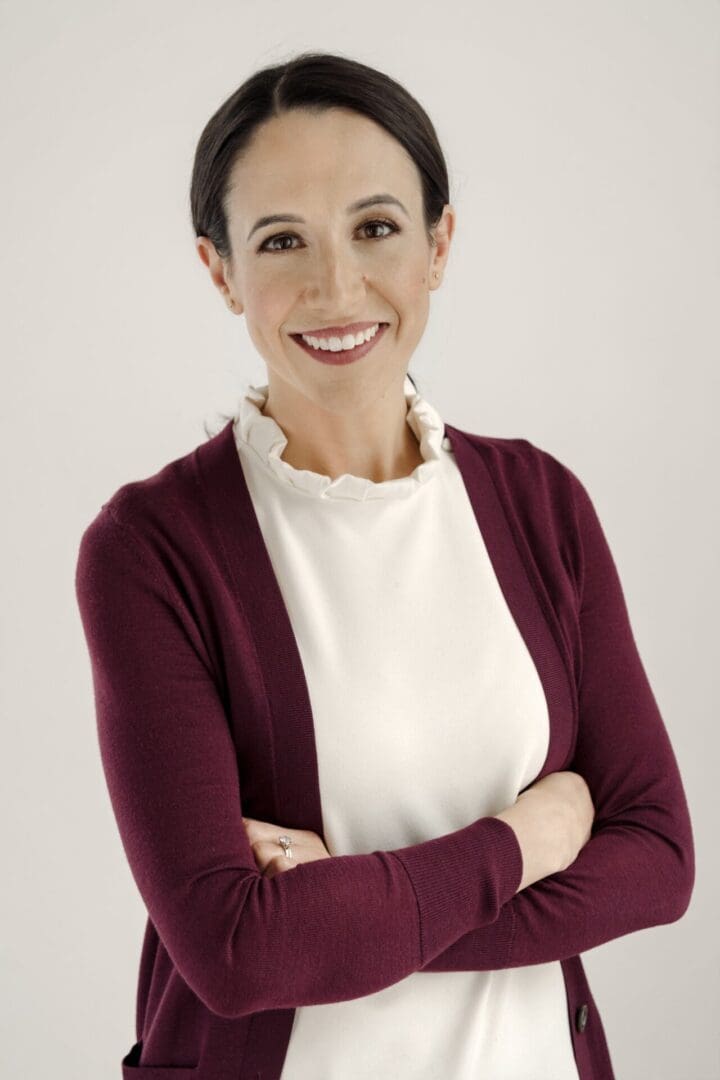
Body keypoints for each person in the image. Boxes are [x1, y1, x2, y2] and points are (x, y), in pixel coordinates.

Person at [74, 51, 695, 1080]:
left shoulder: (541, 507)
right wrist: (527, 840)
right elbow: (236, 955)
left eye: (376, 228)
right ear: (219, 269)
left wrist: (349, 909)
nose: (336, 285)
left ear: (438, 244)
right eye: (281, 241)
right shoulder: (154, 551)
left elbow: (658, 863)